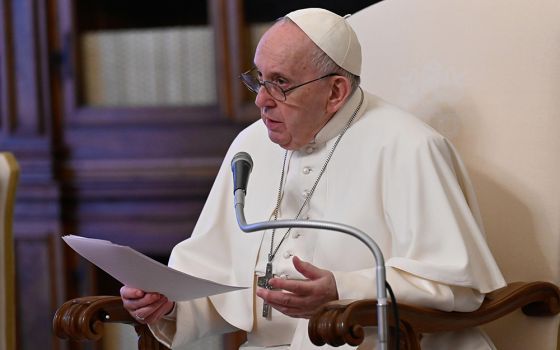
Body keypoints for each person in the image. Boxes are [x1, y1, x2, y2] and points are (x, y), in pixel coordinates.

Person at [121, 8, 506, 349]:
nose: (261, 101)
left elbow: (458, 286)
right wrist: (169, 303)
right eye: (259, 79)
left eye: (280, 83)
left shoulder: (409, 146)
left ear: (336, 90)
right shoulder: (252, 143)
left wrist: (343, 290)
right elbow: (216, 273)